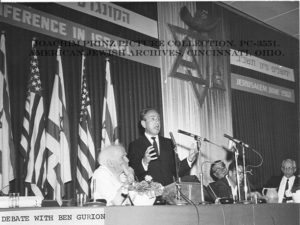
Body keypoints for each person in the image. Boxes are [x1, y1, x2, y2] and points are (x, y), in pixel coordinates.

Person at [128, 108, 198, 186]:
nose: (157, 122)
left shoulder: (169, 143)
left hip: (170, 193)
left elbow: (177, 171)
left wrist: (189, 159)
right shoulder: (135, 145)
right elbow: (133, 173)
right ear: (143, 124)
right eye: (153, 119)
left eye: (158, 119)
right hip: (149, 194)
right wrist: (144, 162)